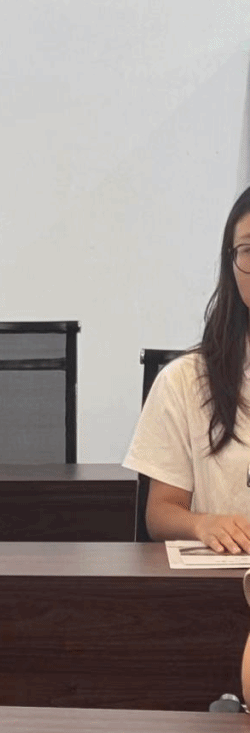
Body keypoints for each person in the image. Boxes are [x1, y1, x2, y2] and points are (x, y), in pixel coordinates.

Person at [125, 187, 250, 553]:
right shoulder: (184, 380)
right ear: (231, 264)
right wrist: (202, 524)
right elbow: (160, 514)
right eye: (249, 250)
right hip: (225, 579)